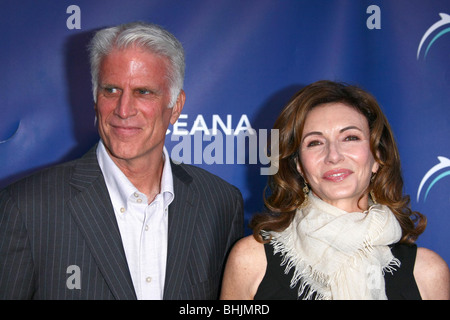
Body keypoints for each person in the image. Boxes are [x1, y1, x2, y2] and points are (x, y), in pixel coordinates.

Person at [0, 22, 244, 300]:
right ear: (95, 99)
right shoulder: (25, 208)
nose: (123, 110)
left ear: (175, 107)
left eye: (143, 92)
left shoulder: (220, 204)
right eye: (111, 90)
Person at [221, 80, 450, 300]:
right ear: (299, 165)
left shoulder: (427, 273)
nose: (333, 155)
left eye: (350, 138)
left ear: (377, 156)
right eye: (315, 142)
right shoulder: (251, 261)